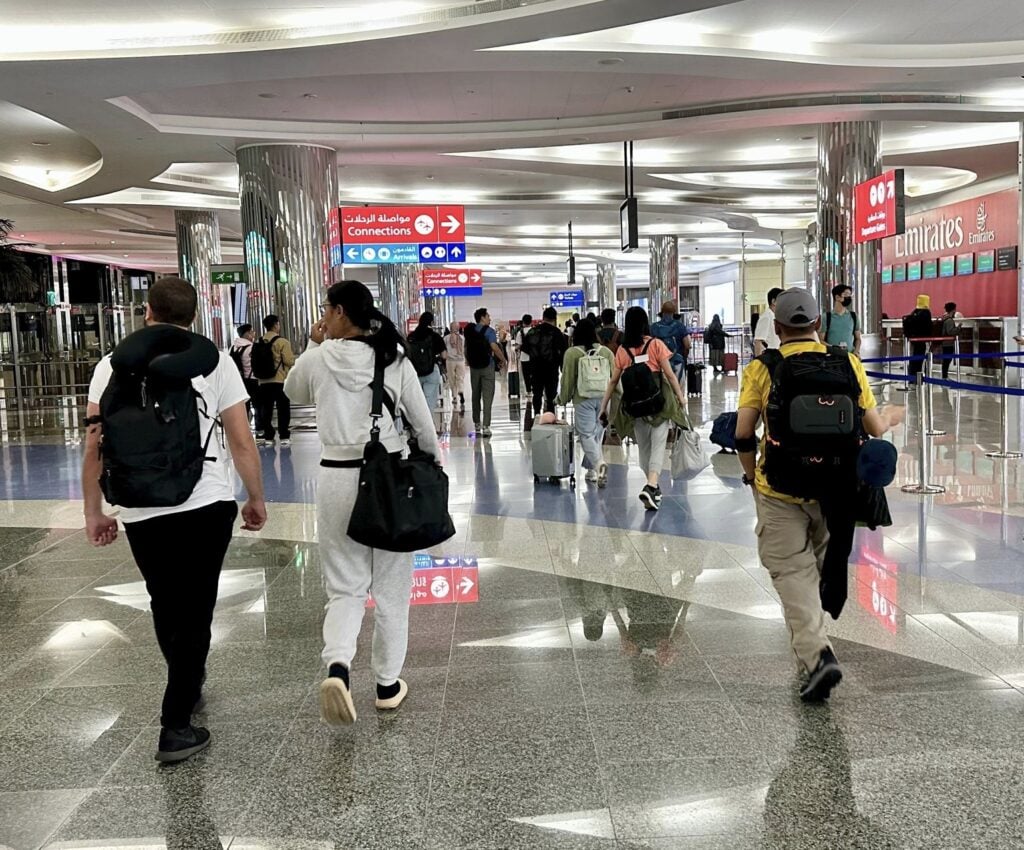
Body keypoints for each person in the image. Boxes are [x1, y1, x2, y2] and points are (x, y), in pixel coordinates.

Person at [82, 277, 267, 763]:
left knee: (165, 602)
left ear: (148, 312)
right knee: (197, 606)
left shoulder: (110, 365)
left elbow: (93, 446)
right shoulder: (214, 361)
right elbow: (241, 439)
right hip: (205, 502)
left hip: (140, 505)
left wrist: (93, 510)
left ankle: (185, 681)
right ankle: (176, 722)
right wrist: (256, 497)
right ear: (193, 317)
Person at [284, 280, 440, 727]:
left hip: (336, 478)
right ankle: (388, 686)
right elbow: (422, 424)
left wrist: (313, 345)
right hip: (388, 477)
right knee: (391, 588)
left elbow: (293, 393)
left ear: (337, 312)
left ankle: (338, 667)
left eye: (327, 310)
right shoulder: (392, 357)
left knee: (345, 586)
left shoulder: (317, 358)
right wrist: (434, 463)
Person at [735, 288, 900, 702]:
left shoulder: (762, 368)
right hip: (834, 491)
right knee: (821, 564)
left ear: (777, 328)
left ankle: (817, 655)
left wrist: (751, 478)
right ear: (818, 326)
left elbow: (742, 434)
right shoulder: (848, 362)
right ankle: (821, 622)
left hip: (780, 490)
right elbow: (875, 428)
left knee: (793, 573)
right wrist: (894, 416)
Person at [599, 306, 688, 511]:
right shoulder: (656, 345)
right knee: (658, 445)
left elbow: (613, 381)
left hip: (636, 407)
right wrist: (681, 398)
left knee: (644, 450)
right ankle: (652, 485)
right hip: (658, 404)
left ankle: (652, 486)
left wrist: (603, 407)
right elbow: (670, 375)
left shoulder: (622, 351)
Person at [557, 317, 613, 486]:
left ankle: (598, 465)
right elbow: (614, 378)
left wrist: (562, 398)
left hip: (583, 399)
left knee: (587, 435)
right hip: (605, 398)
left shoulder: (572, 353)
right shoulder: (606, 352)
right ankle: (592, 471)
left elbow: (566, 381)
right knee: (597, 433)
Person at [253, 315, 296, 446]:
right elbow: (289, 361)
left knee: (266, 410)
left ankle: (268, 437)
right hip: (279, 380)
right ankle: (284, 436)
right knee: (283, 408)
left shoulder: (259, 342)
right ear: (276, 324)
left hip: (263, 382)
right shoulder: (282, 342)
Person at [465, 307, 507, 437]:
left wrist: (469, 361)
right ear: (482, 317)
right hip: (487, 366)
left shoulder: (470, 331)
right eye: (488, 316)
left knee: (475, 395)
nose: (489, 318)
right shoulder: (489, 331)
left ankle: (476, 423)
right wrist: (503, 359)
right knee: (487, 396)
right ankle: (486, 426)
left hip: (474, 367)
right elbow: (494, 347)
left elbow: (466, 349)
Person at [524, 306, 569, 416]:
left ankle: (537, 415)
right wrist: (562, 368)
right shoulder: (558, 333)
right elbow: (564, 352)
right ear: (555, 319)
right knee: (551, 396)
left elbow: (525, 349)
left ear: (543, 317)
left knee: (537, 394)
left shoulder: (532, 331)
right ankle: (550, 417)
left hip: (535, 369)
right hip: (551, 370)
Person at [407, 312, 447, 410]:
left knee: (418, 402)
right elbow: (444, 355)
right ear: (431, 322)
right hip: (432, 371)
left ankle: (418, 423)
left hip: (415, 373)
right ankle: (428, 423)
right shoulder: (435, 336)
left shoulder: (411, 336)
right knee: (429, 402)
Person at [650, 300, 691, 380]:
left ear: (662, 313)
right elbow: (688, 345)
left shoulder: (653, 327)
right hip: (677, 362)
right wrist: (684, 356)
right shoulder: (680, 326)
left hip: (658, 364)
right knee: (677, 389)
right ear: (674, 312)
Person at [229, 323, 258, 417]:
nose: (254, 333)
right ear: (247, 334)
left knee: (244, 404)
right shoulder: (251, 347)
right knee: (257, 404)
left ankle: (245, 423)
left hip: (240, 380)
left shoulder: (233, 347)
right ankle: (259, 425)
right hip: (252, 379)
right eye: (252, 331)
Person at [824, 284, 861, 355]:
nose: (849, 297)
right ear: (837, 297)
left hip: (850, 357)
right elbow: (820, 340)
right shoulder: (826, 317)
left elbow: (858, 338)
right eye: (846, 294)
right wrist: (833, 349)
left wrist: (856, 351)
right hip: (832, 359)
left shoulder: (854, 316)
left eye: (850, 294)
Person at [903, 294, 933, 377]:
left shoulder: (914, 312)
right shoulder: (926, 313)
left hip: (913, 339)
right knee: (921, 359)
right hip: (923, 340)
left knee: (914, 358)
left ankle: (912, 376)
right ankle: (918, 377)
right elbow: (928, 326)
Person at [754, 287, 784, 356]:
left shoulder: (775, 316)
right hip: (770, 357)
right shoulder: (766, 317)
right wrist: (759, 363)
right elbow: (758, 341)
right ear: (773, 301)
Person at [444, 320, 466, 408]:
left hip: (450, 361)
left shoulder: (446, 338)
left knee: (452, 378)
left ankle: (454, 397)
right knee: (460, 378)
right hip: (461, 360)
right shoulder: (462, 338)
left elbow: (444, 349)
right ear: (458, 328)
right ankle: (461, 391)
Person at [515, 314, 534, 398]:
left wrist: (516, 350)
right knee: (534, 374)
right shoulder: (535, 331)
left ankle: (529, 391)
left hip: (524, 357)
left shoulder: (520, 332)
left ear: (523, 322)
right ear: (531, 321)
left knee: (526, 375)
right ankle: (535, 389)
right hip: (534, 357)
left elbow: (518, 345)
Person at [940, 302, 960, 380]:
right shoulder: (949, 320)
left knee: (946, 360)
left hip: (945, 343)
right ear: (953, 309)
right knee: (947, 360)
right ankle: (944, 376)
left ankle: (944, 376)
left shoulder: (945, 318)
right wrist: (958, 328)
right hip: (948, 343)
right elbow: (950, 331)